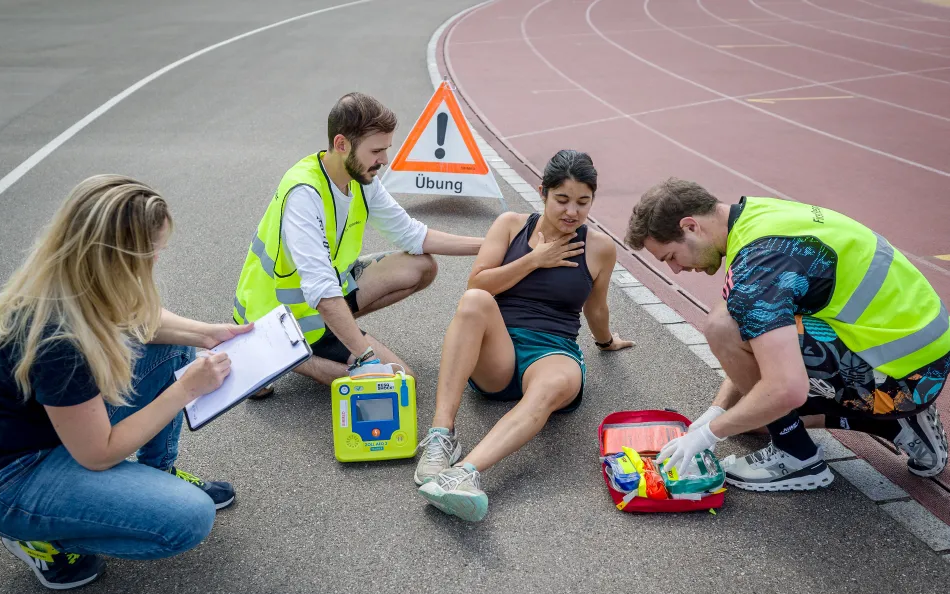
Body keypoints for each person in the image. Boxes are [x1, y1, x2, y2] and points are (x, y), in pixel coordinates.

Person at [0, 175, 249, 590]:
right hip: (7, 479)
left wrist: (206, 334)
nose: (159, 258)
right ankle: (38, 535)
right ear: (118, 257)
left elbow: (142, 320)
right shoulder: (59, 340)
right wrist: (187, 389)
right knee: (189, 519)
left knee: (174, 349)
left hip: (52, 435)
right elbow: (98, 454)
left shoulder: (69, 275)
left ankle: (155, 473)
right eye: (155, 251)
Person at [624, 178, 949, 491]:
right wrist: (718, 411)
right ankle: (894, 425)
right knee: (749, 413)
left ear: (690, 226)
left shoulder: (757, 267)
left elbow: (786, 389)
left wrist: (709, 434)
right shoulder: (757, 216)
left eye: (670, 257)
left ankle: (797, 457)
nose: (676, 270)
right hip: (914, 351)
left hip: (902, 377)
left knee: (733, 342)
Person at [413, 150, 634, 521]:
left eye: (583, 202)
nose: (572, 212)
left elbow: (596, 307)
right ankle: (440, 436)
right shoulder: (510, 225)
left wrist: (606, 341)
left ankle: (463, 475)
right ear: (542, 192)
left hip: (552, 352)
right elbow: (477, 281)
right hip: (497, 353)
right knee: (474, 301)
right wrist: (535, 259)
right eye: (562, 200)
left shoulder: (599, 248)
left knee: (554, 384)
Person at [232, 92, 484, 393]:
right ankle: (284, 356)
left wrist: (491, 243)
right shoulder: (303, 193)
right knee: (398, 384)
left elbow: (413, 235)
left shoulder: (361, 178)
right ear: (342, 145)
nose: (385, 160)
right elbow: (322, 291)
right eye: (377, 150)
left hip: (323, 300)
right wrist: (366, 358)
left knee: (421, 266)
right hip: (280, 315)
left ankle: (333, 333)